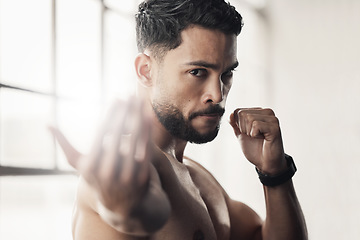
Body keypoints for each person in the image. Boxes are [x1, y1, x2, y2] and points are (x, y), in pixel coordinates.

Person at [51, 0, 308, 239]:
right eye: (197, 72)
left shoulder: (198, 177)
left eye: (227, 73)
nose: (217, 94)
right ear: (146, 71)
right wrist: (123, 203)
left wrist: (275, 174)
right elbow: (139, 210)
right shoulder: (126, 160)